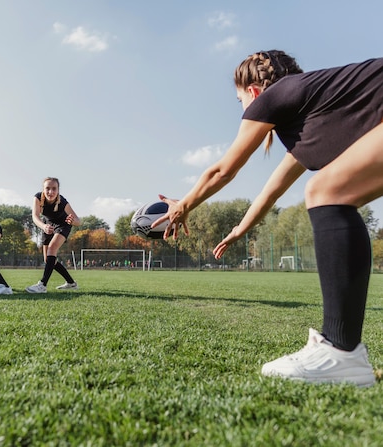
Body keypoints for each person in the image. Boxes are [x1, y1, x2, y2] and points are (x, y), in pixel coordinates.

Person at [154, 50, 383, 387]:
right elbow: (271, 192)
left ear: (255, 92)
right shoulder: (310, 117)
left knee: (326, 191)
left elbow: (222, 171)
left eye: (239, 101)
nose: (244, 111)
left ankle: (341, 351)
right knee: (325, 189)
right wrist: (239, 229)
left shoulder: (274, 97)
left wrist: (183, 205)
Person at [25, 177, 81, 293]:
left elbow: (78, 221)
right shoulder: (38, 198)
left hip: (63, 225)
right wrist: (44, 226)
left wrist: (72, 221)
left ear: (58, 190)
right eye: (47, 188)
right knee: (48, 260)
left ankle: (42, 285)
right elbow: (35, 217)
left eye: (54, 188)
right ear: (43, 189)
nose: (50, 192)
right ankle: (71, 283)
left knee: (52, 249)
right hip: (47, 225)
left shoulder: (63, 202)